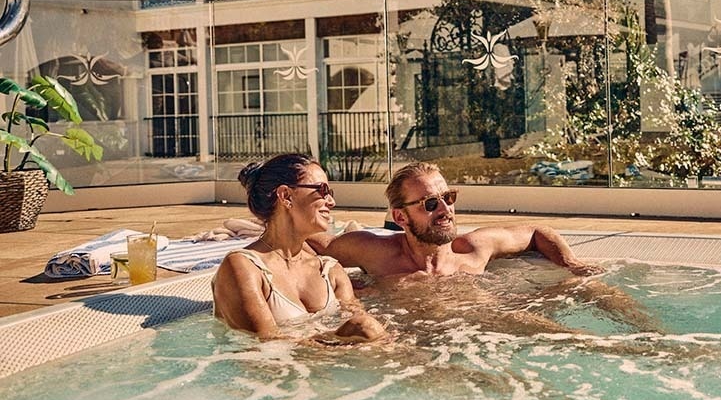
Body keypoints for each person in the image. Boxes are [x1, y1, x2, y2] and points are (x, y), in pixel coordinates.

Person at [312, 161, 604, 279]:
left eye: (447, 197)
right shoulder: (374, 251)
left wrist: (570, 264)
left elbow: (539, 231)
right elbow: (317, 244)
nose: (445, 209)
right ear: (400, 217)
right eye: (430, 203)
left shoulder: (474, 248)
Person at [211, 153, 389, 342]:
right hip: (274, 367)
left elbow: (358, 319)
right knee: (365, 328)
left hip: (319, 365)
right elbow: (264, 347)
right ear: (286, 196)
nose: (331, 202)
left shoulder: (330, 270)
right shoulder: (243, 267)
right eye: (322, 190)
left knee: (366, 325)